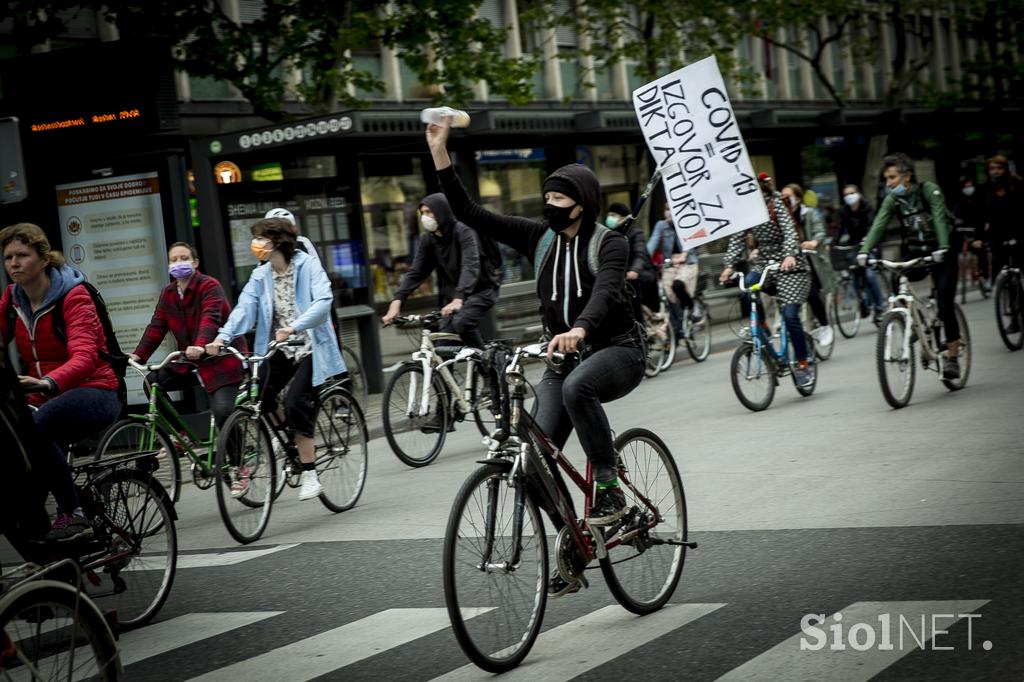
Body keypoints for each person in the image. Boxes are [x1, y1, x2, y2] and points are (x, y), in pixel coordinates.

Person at [425, 117, 643, 597]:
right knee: (535, 461)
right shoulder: (538, 238)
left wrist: (580, 328)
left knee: (576, 386)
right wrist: (441, 153)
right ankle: (576, 546)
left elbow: (606, 293)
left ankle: (607, 483)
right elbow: (468, 211)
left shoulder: (611, 243)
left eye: (559, 200)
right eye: (546, 199)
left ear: (581, 205)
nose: (549, 207)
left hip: (617, 350)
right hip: (563, 356)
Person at [205, 217, 346, 501]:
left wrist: (295, 326)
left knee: (296, 402)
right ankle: (288, 437)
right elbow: (244, 309)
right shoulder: (261, 275)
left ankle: (309, 473)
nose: (255, 245)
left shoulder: (307, 266)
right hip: (280, 348)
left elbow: (323, 302)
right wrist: (222, 337)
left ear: (277, 242)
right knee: (259, 395)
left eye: (260, 239)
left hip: (310, 347)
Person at [0, 222, 123, 541]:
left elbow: (85, 356)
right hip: (45, 395)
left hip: (95, 390)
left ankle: (74, 511)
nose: (13, 263)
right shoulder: (13, 298)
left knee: (35, 427)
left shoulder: (73, 296)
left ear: (43, 259)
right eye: (8, 257)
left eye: (22, 255)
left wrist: (47, 383)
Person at [130, 242, 247, 457]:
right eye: (173, 260)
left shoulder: (209, 286)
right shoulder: (169, 294)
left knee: (222, 412)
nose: (178, 263)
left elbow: (210, 318)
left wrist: (201, 345)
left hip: (220, 360)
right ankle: (180, 435)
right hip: (191, 360)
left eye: (183, 258)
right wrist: (138, 354)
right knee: (152, 382)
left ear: (195, 263)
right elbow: (157, 326)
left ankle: (239, 465)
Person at [858, 153, 962, 379]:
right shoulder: (893, 199)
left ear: (908, 176)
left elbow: (938, 218)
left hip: (942, 251)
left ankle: (952, 357)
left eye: (893, 177)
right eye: (886, 179)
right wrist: (865, 251)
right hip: (916, 251)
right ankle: (909, 322)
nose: (889, 183)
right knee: (897, 277)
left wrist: (943, 247)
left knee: (944, 305)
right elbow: (879, 224)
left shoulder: (928, 190)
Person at [720, 174, 815, 387]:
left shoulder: (777, 203)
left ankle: (802, 364)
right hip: (765, 265)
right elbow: (737, 238)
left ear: (763, 191)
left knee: (790, 316)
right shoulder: (746, 210)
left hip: (792, 267)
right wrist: (728, 266)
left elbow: (790, 230)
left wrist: (790, 253)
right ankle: (761, 326)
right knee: (747, 286)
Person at [381, 193, 501, 349]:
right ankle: (442, 373)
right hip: (453, 299)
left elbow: (470, 265)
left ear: (441, 212)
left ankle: (486, 365)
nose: (425, 217)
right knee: (442, 347)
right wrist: (397, 300)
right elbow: (417, 271)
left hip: (482, 291)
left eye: (429, 212)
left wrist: (459, 298)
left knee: (462, 322)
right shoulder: (428, 239)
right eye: (422, 213)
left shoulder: (464, 232)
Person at [781, 183, 834, 348]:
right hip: (789, 263)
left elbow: (820, 231)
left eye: (788, 196)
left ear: (798, 198)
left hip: (810, 262)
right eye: (782, 196)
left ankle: (825, 325)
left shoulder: (809, 213)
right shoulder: (780, 216)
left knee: (812, 294)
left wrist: (813, 242)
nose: (785, 200)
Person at [648, 206, 702, 330]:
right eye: (666, 209)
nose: (668, 212)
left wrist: (685, 253)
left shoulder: (688, 222)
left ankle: (692, 308)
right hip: (670, 262)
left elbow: (695, 240)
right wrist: (644, 258)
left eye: (671, 209)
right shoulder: (661, 225)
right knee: (668, 294)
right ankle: (678, 325)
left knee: (677, 285)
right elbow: (652, 243)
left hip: (688, 261)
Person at [837, 184, 886, 322]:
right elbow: (840, 230)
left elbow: (873, 226)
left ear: (859, 194)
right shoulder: (843, 211)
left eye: (852, 193)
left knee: (870, 275)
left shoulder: (868, 208)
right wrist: (834, 244)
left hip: (869, 244)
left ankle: (879, 307)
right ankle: (862, 302)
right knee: (853, 273)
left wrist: (868, 238)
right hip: (854, 246)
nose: (849, 197)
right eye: (846, 194)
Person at [979, 155, 1024, 299]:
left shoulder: (1017, 185)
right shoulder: (984, 191)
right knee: (1004, 274)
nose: (995, 172)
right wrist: (978, 238)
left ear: (1005, 170)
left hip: (1019, 233)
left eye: (999, 168)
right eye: (992, 169)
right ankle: (1011, 305)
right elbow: (978, 217)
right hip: (997, 236)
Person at [605, 201, 658, 318]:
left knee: (633, 292)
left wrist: (635, 270)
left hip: (641, 274)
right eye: (609, 215)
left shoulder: (636, 233)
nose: (610, 218)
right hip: (621, 276)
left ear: (624, 218)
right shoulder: (609, 235)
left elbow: (640, 254)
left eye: (614, 215)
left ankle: (640, 324)